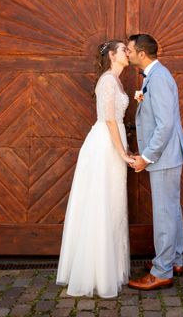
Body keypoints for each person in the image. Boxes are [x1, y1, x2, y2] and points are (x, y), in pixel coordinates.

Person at [56, 40, 135, 298]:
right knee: (101, 203)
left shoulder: (116, 80)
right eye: (123, 49)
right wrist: (122, 151)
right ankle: (96, 273)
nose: (127, 52)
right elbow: (110, 118)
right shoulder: (108, 81)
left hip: (113, 142)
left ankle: (109, 269)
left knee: (112, 202)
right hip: (104, 146)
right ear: (112, 55)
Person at [126, 33, 183, 291]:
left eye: (130, 50)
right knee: (171, 209)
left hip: (164, 156)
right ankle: (174, 259)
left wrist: (146, 157)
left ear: (142, 54)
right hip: (167, 155)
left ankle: (162, 272)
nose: (128, 53)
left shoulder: (160, 78)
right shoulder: (154, 76)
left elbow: (165, 126)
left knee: (164, 213)